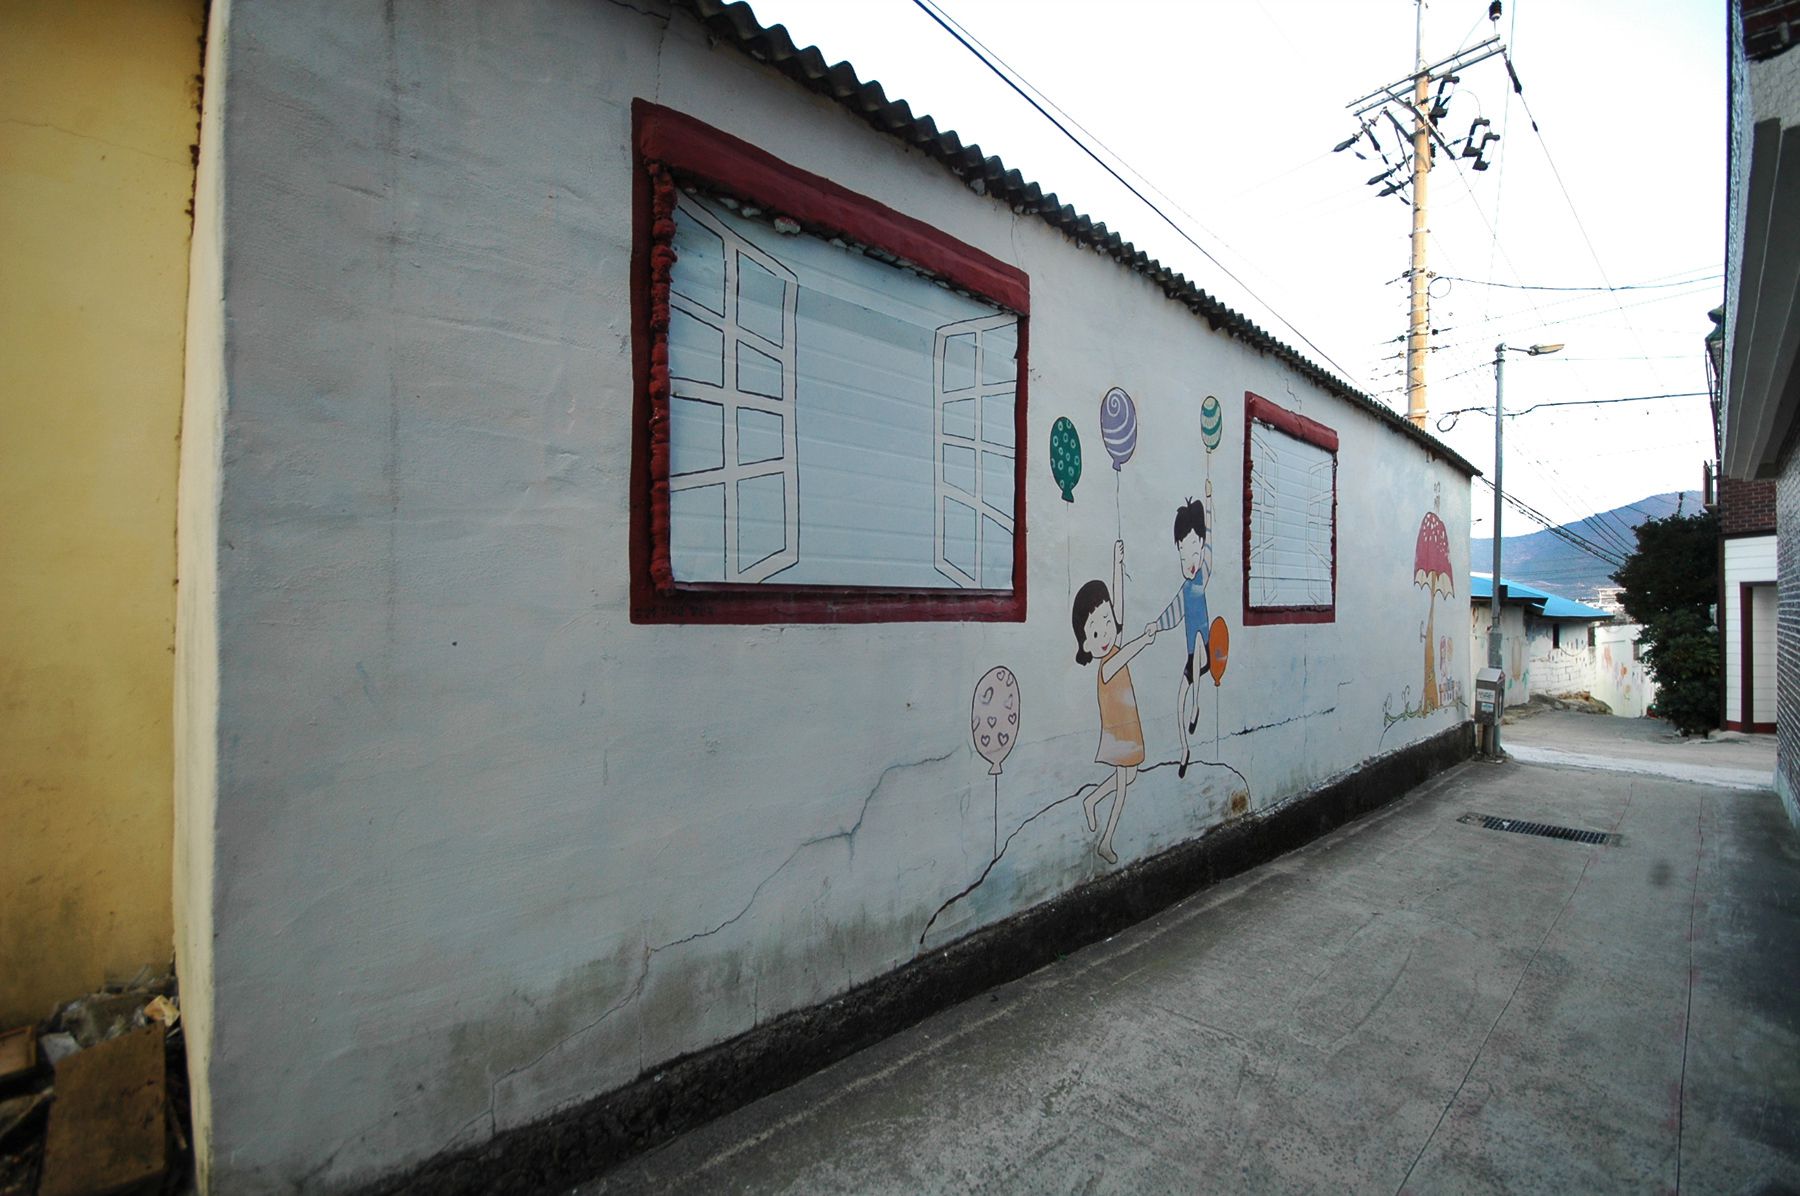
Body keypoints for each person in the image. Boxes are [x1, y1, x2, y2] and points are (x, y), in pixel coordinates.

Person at [1072, 539, 1156, 864]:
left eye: (1107, 622)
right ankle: (1106, 841)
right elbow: (1125, 655)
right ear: (1086, 644)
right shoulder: (1107, 665)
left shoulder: (1113, 641)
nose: (1106, 632)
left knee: (1130, 776)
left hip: (1128, 726)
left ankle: (1091, 800)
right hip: (1119, 732)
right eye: (1095, 633)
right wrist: (1144, 641)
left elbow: (1118, 607)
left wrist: (1117, 566)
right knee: (1123, 784)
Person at [1154, 487, 1214, 777]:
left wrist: (1209, 500)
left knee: (1200, 640)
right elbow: (1172, 614)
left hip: (1205, 652)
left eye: (1193, 552)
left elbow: (1210, 538)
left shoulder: (1203, 575)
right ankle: (1184, 748)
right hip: (1192, 659)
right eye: (1182, 557)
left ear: (1201, 546)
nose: (1188, 562)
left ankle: (1197, 705)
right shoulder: (1185, 591)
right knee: (1178, 700)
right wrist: (1155, 625)